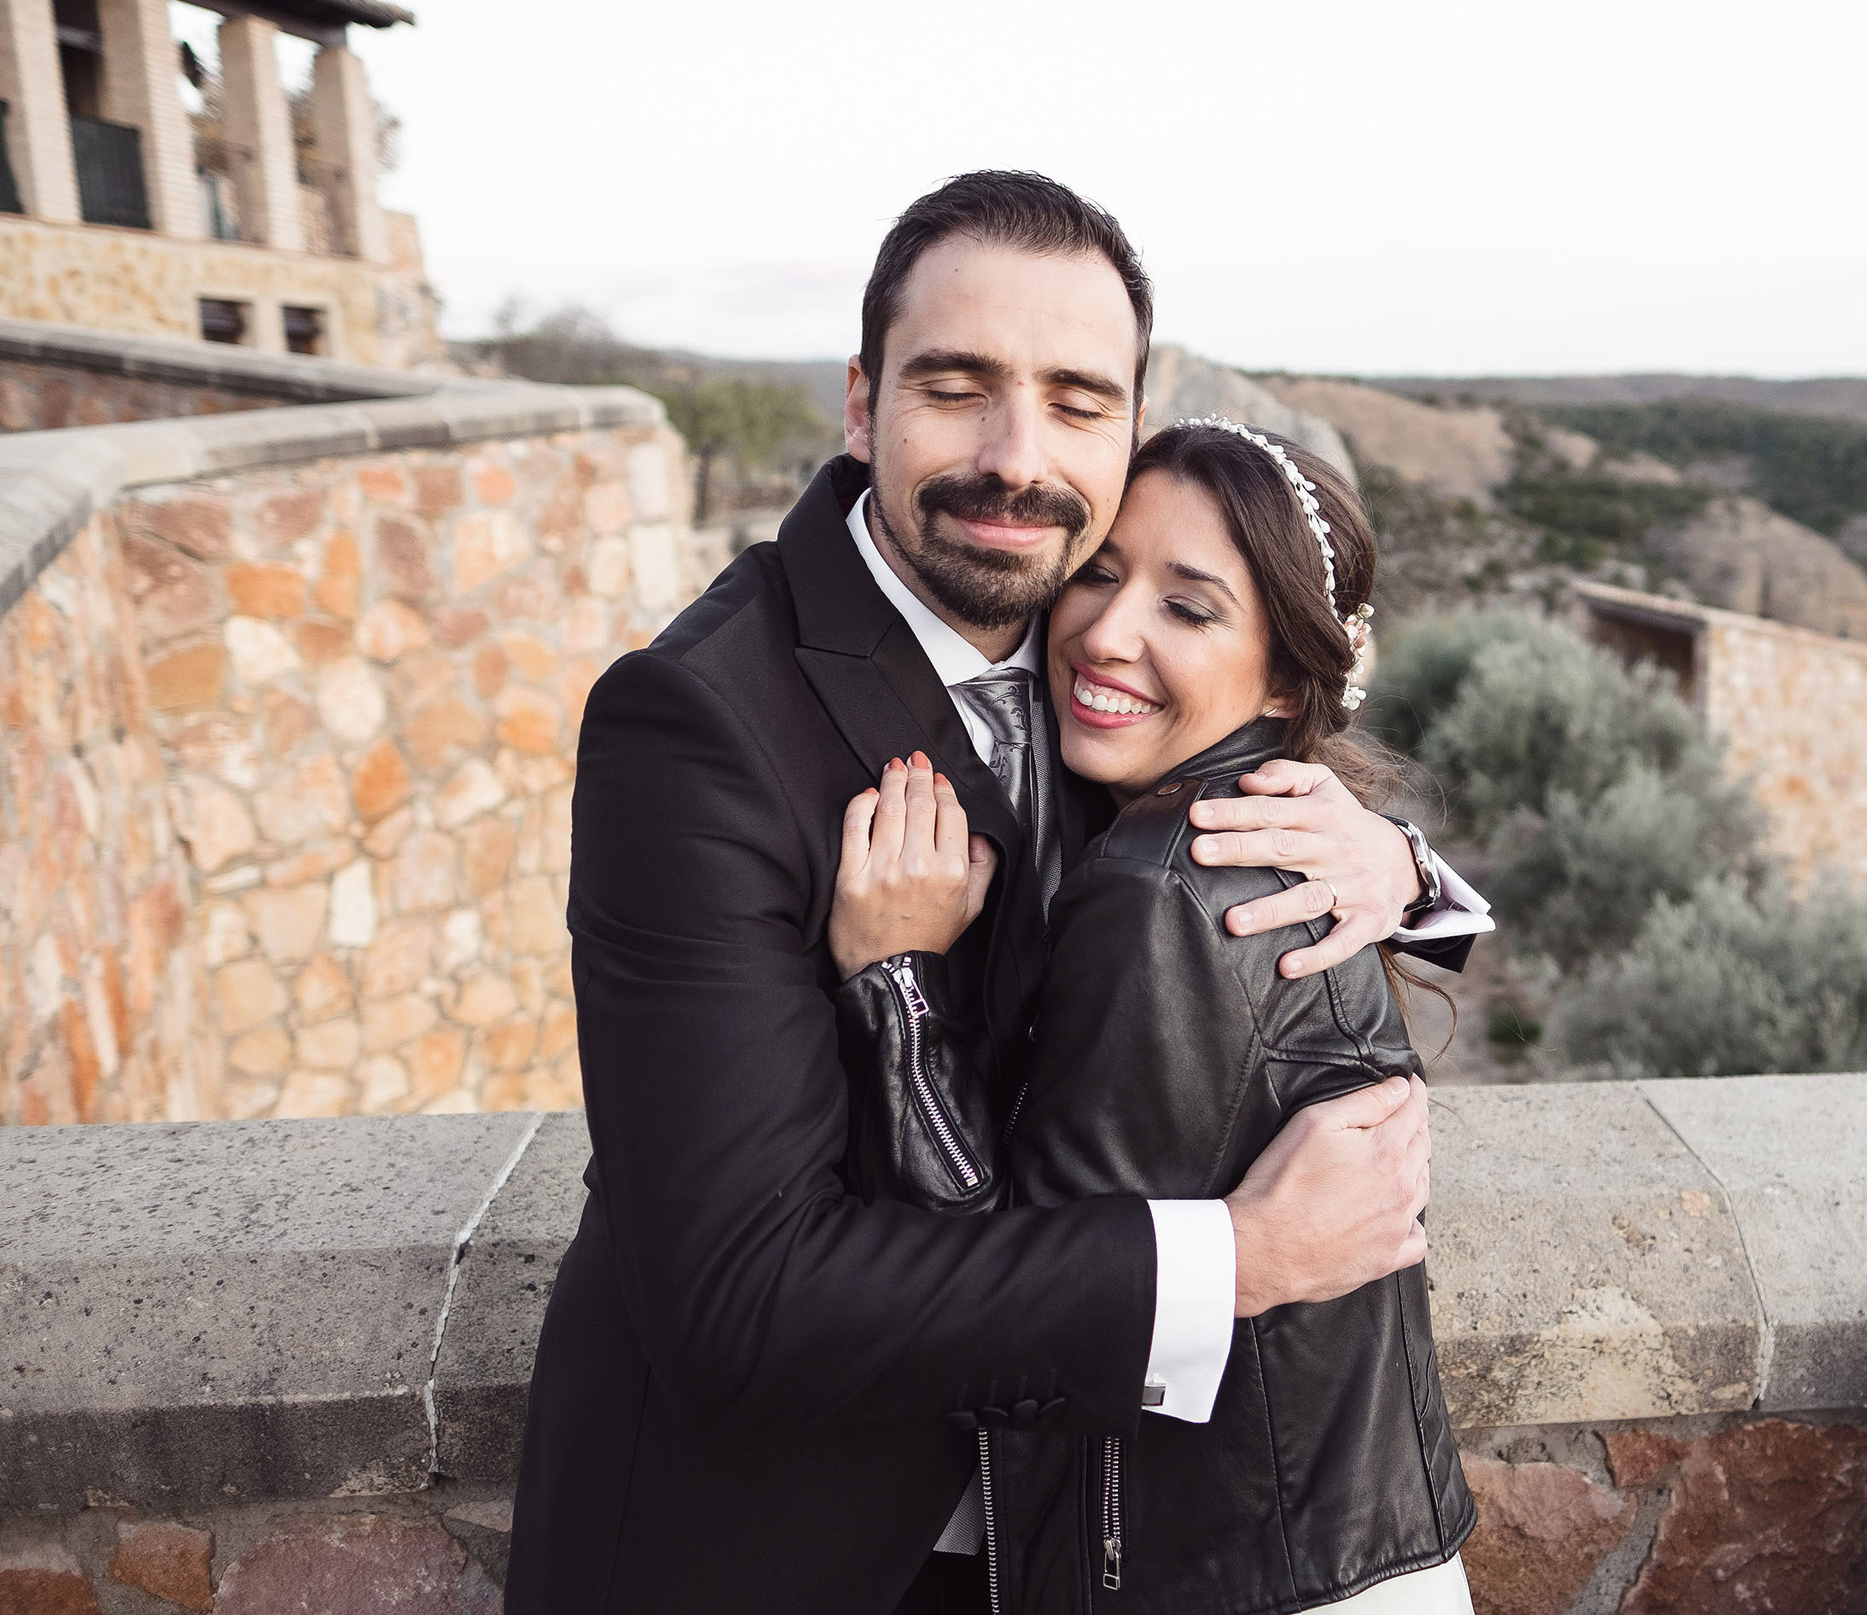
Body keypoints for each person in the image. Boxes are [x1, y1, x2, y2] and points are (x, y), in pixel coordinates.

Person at [507, 172, 1488, 1615]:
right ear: (864, 402)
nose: (1016, 456)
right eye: (957, 386)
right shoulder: (696, 723)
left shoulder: (1074, 625)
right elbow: (740, 1300)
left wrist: (1401, 866)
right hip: (787, 1550)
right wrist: (1242, 1254)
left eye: (1078, 399)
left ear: (1129, 424)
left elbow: (1209, 750)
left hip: (1060, 1535)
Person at [828, 419, 1477, 1613]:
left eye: (1188, 607)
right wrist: (1411, 869)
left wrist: (896, 982)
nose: (1108, 634)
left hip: (1222, 1576)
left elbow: (1015, 1297)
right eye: (1101, 574)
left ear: (1285, 675)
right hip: (1341, 1554)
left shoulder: (1161, 885)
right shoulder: (1252, 833)